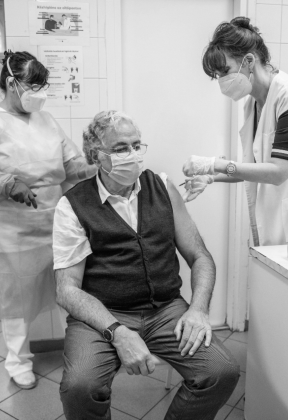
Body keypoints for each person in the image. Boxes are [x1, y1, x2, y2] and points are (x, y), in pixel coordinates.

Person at [53, 110, 240, 420]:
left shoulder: (162, 188)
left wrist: (198, 309)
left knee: (222, 371)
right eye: (121, 148)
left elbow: (200, 257)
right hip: (103, 314)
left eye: (137, 145)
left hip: (166, 309)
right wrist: (118, 333)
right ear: (97, 156)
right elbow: (67, 290)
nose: (133, 155)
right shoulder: (72, 205)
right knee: (79, 387)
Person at [0, 50, 96, 390]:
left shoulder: (47, 120)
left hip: (52, 221)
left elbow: (70, 164)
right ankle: (17, 360)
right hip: (7, 226)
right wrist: (8, 183)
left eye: (44, 85)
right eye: (34, 85)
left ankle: (81, 353)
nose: (40, 92)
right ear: (11, 84)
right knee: (14, 294)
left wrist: (96, 166)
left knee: (67, 287)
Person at [182, 17, 288, 246]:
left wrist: (215, 164)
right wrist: (210, 177)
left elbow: (278, 171)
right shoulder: (252, 104)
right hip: (282, 222)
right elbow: (253, 168)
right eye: (218, 76)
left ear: (249, 61)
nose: (222, 81)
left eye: (225, 71)